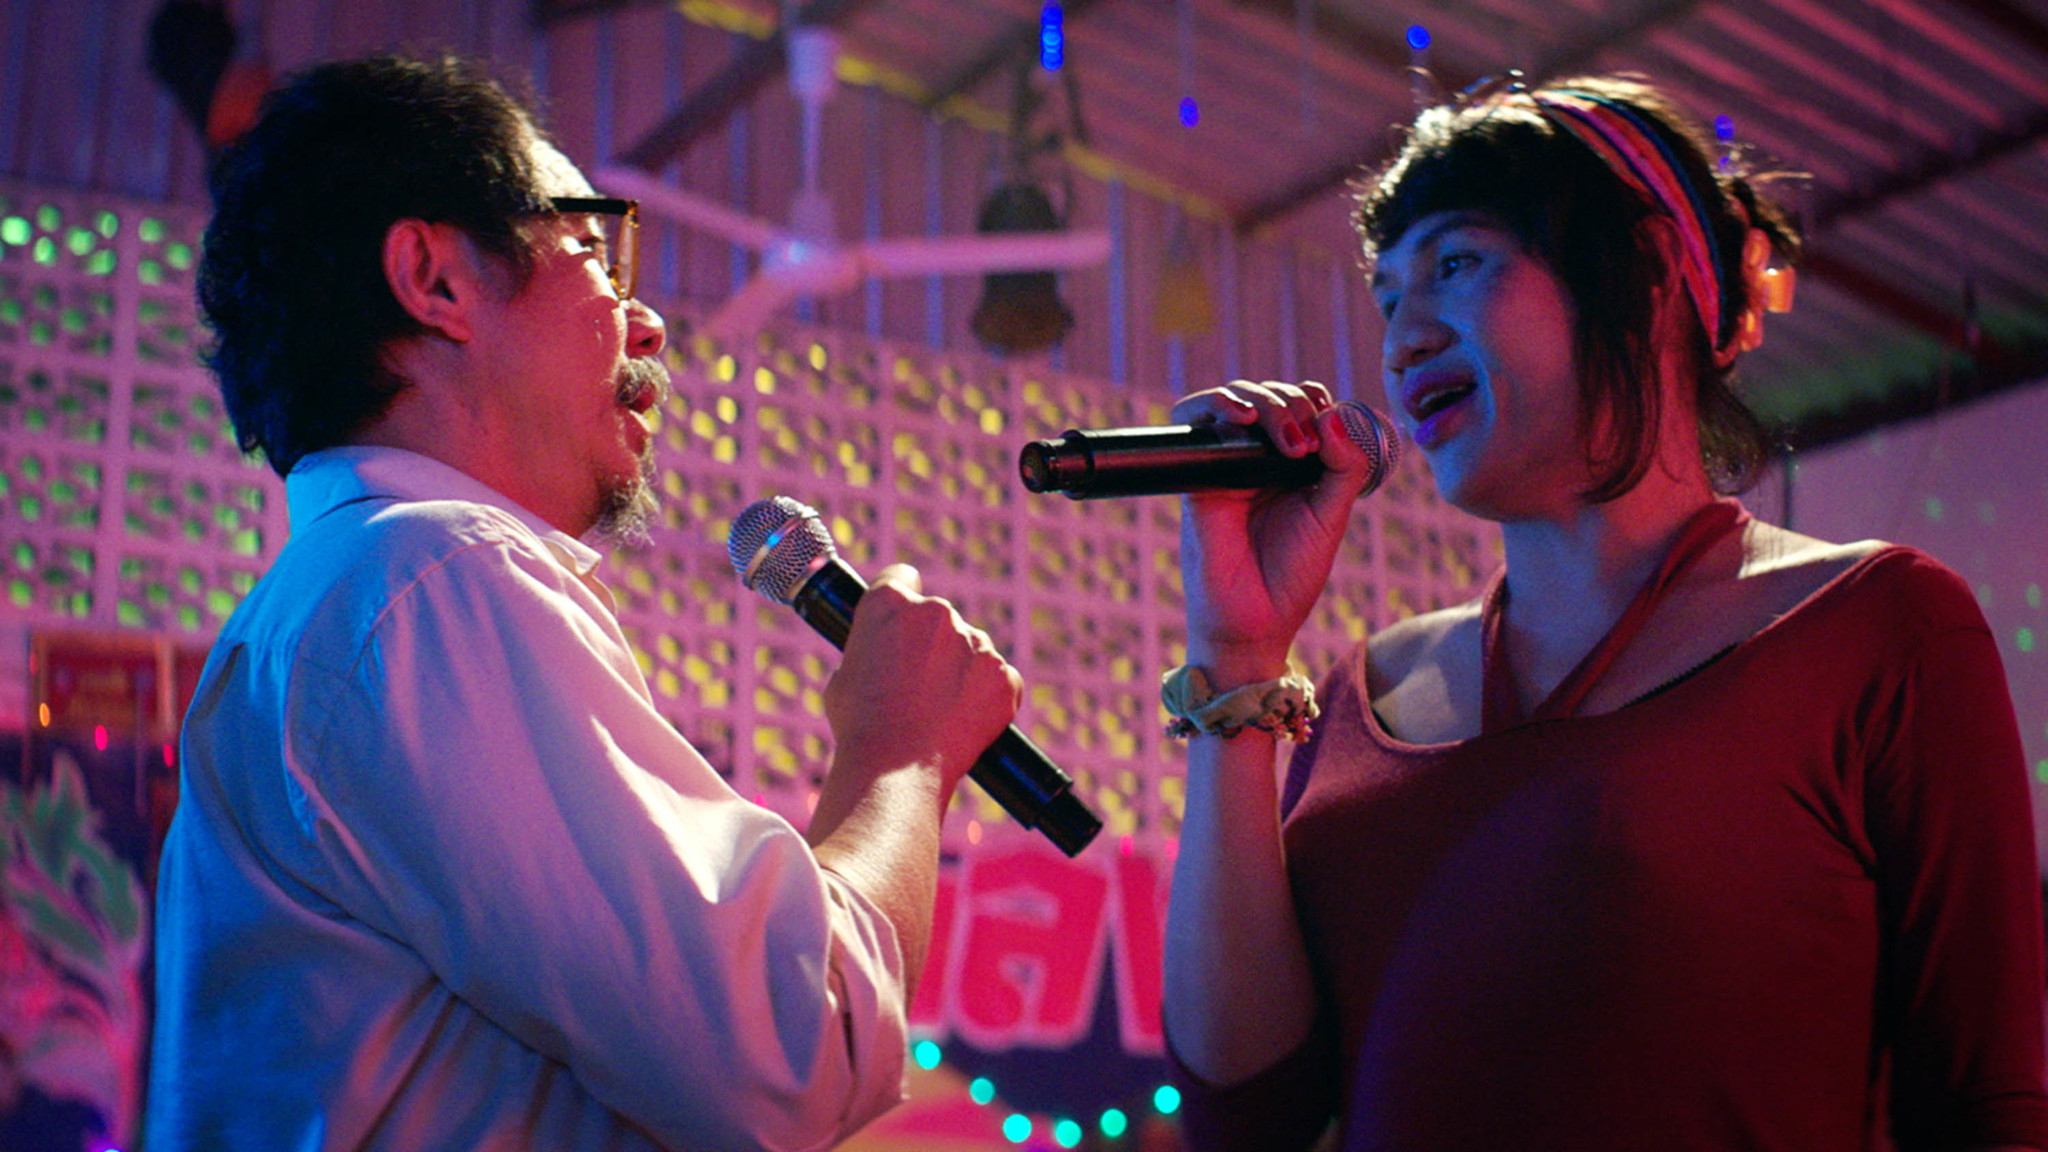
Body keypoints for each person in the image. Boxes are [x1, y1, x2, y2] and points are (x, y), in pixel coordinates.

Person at [145, 55, 1022, 1150]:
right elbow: (791, 1051)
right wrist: (902, 751)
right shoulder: (428, 575)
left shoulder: (347, 597)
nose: (649, 326)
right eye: (594, 254)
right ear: (434, 279)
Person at [1160, 74, 2047, 1150]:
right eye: (1387, 297)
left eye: (1455, 264)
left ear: (1650, 271)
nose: (1401, 340)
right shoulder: (1359, 692)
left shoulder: (1876, 627)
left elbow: (1988, 1107)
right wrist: (1236, 651)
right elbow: (1244, 1119)